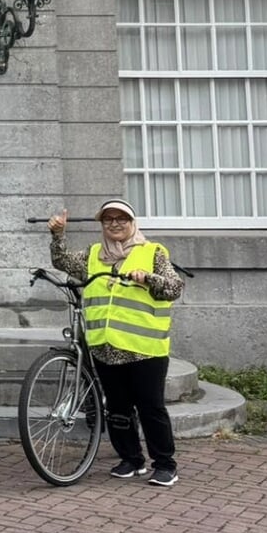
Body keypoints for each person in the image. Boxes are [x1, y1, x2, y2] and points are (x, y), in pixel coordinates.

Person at [48, 200, 185, 487]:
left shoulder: (153, 252)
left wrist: (147, 278)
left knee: (151, 407)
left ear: (132, 222)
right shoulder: (94, 254)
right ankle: (131, 459)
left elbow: (174, 287)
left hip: (143, 347)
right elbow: (62, 262)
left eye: (121, 219)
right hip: (105, 347)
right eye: (108, 220)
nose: (114, 224)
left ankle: (164, 464)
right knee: (118, 408)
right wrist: (58, 234)